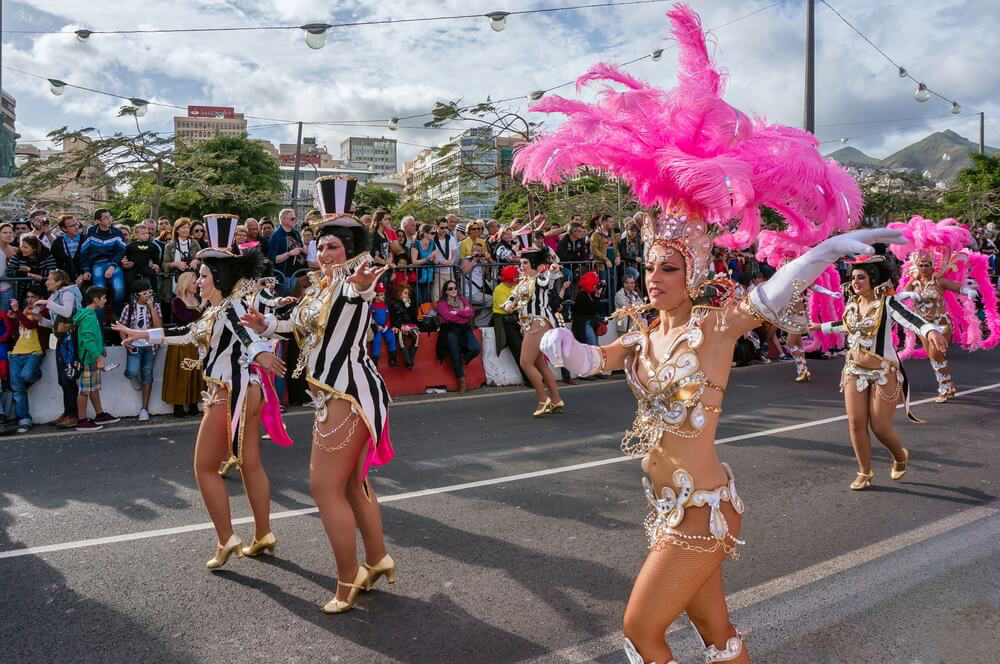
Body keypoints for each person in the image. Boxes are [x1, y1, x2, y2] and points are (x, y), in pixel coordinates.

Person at [514, 6, 880, 660]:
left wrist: (823, 253)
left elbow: (770, 296)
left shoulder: (715, 326)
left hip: (700, 512)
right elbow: (598, 358)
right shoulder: (645, 332)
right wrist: (564, 350)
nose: (654, 278)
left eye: (669, 268)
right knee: (718, 635)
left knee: (640, 630)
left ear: (696, 271)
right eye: (650, 266)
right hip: (666, 507)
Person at [241, 177, 395, 614]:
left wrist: (361, 279)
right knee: (349, 483)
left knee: (324, 488)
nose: (324, 253)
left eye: (333, 247)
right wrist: (266, 326)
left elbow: (359, 293)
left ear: (351, 252)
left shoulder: (350, 286)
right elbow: (301, 327)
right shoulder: (318, 289)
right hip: (334, 397)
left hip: (348, 395)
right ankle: (379, 557)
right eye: (320, 246)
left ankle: (349, 580)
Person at [114, 248, 284, 568]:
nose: (197, 281)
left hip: (227, 394)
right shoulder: (215, 311)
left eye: (204, 276)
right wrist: (139, 334)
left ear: (219, 279)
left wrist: (261, 352)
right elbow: (182, 334)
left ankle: (226, 538)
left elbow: (247, 334)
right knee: (250, 465)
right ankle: (263, 534)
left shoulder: (228, 309)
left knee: (205, 469)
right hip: (247, 392)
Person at [814, 256, 946, 490]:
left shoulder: (888, 304)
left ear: (873, 279)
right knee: (855, 423)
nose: (855, 282)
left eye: (861, 277)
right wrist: (820, 327)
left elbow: (912, 319)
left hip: (884, 372)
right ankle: (864, 472)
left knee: (881, 428)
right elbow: (848, 326)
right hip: (854, 370)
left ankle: (899, 456)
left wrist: (932, 331)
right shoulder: (852, 304)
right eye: (853, 277)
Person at [889, 216, 1000, 402]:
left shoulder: (940, 281)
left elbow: (958, 288)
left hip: (941, 324)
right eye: (921, 265)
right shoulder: (913, 283)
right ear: (916, 266)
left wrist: (968, 291)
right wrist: (907, 295)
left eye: (927, 265)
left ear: (932, 266)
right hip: (923, 325)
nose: (924, 268)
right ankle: (948, 386)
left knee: (935, 354)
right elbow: (897, 298)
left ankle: (944, 388)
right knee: (934, 358)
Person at [756, 233, 843, 382]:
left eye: (789, 263)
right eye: (784, 264)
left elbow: (814, 286)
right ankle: (803, 371)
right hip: (787, 313)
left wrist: (830, 292)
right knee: (797, 343)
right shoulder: (780, 281)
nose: (786, 266)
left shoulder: (799, 280)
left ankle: (802, 370)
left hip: (797, 314)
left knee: (790, 343)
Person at [501, 249, 563, 416]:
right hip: (530, 324)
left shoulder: (539, 278)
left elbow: (546, 281)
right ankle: (556, 400)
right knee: (539, 364)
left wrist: (551, 270)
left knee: (525, 363)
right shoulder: (524, 281)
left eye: (525, 264)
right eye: (521, 264)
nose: (522, 267)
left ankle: (544, 400)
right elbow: (514, 296)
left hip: (537, 322)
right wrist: (508, 304)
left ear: (535, 264)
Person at [35, 270, 82, 428]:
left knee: (68, 377)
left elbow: (67, 312)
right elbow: (57, 323)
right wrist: (41, 320)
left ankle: (74, 415)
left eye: (49, 279)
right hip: (62, 339)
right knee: (63, 379)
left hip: (71, 340)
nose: (46, 282)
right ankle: (67, 413)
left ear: (59, 282)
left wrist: (46, 303)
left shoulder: (67, 293)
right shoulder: (56, 295)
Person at [73, 286, 120, 431]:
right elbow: (88, 340)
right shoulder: (89, 317)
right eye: (104, 298)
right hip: (89, 359)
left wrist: (100, 351)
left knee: (92, 388)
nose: (105, 301)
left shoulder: (88, 315)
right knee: (85, 390)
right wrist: (98, 358)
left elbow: (92, 338)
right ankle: (81, 420)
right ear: (96, 299)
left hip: (91, 357)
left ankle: (100, 414)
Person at [118, 279, 162, 421]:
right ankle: (134, 376)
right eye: (145, 293)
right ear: (137, 295)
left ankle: (144, 409)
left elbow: (158, 327)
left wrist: (151, 308)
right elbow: (122, 326)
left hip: (150, 346)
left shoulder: (155, 306)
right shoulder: (129, 308)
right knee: (132, 371)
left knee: (148, 375)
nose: (149, 295)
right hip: (134, 345)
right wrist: (125, 342)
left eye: (150, 292)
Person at [162, 271, 205, 417]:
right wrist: (203, 306)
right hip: (180, 342)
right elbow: (188, 319)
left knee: (194, 373)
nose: (197, 284)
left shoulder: (197, 300)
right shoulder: (177, 301)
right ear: (186, 284)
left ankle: (193, 403)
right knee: (180, 374)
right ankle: (178, 406)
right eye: (194, 282)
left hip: (195, 342)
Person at [8, 288, 49, 433]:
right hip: (16, 352)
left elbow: (31, 325)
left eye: (33, 296)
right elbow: (15, 333)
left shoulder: (43, 311)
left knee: (26, 376)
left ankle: (37, 374)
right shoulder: (24, 311)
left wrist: (18, 312)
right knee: (18, 389)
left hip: (34, 352)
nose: (30, 299)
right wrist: (13, 319)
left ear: (40, 297)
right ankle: (24, 419)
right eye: (28, 297)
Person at [435, 279, 481, 393]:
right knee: (454, 353)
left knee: (476, 348)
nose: (454, 290)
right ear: (445, 291)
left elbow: (470, 313)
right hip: (449, 330)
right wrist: (462, 315)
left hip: (464, 328)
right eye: (450, 289)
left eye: (455, 288)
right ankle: (462, 383)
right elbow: (447, 317)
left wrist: (457, 313)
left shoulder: (462, 299)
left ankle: (463, 360)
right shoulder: (441, 303)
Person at [81, 209, 127, 315]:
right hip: (97, 265)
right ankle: (99, 325)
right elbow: (84, 253)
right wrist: (86, 270)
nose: (109, 219)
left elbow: (121, 252)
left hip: (113, 264)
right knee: (99, 294)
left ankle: (116, 318)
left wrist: (112, 266)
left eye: (109, 216)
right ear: (98, 221)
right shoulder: (91, 232)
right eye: (105, 217)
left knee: (119, 289)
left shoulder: (117, 232)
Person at [6, 236, 57, 306]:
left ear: (34, 249)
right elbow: (9, 272)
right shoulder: (18, 255)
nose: (22, 249)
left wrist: (32, 270)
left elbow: (53, 272)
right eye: (21, 246)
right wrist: (29, 274)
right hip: (24, 294)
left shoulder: (46, 254)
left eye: (26, 247)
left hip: (43, 293)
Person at [161, 218, 203, 303]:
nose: (186, 230)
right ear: (177, 230)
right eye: (183, 227)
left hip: (192, 282)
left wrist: (196, 261)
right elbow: (164, 264)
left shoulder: (194, 243)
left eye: (188, 228)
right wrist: (175, 264)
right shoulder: (170, 245)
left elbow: (203, 261)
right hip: (175, 282)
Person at [268, 208, 306, 294]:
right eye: (292, 218)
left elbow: (300, 249)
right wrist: (289, 253)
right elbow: (272, 259)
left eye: (295, 218)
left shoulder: (296, 233)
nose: (295, 220)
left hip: (300, 275)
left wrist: (304, 250)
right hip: (285, 278)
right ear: (284, 219)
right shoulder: (276, 236)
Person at [124, 224, 162, 299]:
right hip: (133, 266)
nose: (146, 235)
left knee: (152, 273)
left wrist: (156, 264)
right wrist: (126, 262)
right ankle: (127, 298)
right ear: (136, 235)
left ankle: (155, 292)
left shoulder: (152, 245)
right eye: (143, 234)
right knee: (128, 279)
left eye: (147, 233)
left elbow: (155, 257)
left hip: (144, 266)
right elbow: (126, 255)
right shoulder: (131, 245)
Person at [390, 283, 419, 370]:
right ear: (399, 293)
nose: (407, 295)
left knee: (416, 337)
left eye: (408, 293)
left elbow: (414, 316)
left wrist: (409, 306)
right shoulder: (393, 304)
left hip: (409, 325)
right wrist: (401, 326)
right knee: (400, 338)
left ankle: (409, 360)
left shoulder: (409, 303)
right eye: (405, 293)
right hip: (399, 326)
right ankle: (409, 363)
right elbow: (393, 319)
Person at [409, 223, 438, 305]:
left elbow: (436, 261)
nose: (434, 235)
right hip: (417, 278)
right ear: (424, 233)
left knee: (426, 302)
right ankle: (418, 318)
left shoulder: (433, 244)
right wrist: (427, 259)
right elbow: (414, 262)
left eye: (435, 233)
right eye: (432, 233)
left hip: (428, 278)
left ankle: (425, 318)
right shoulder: (416, 244)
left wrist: (434, 259)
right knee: (418, 301)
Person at [51, 214, 85, 283]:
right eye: (72, 226)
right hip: (65, 282)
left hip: (85, 279)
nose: (76, 227)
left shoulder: (85, 239)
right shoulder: (58, 242)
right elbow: (54, 262)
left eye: (76, 224)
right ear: (64, 229)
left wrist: (84, 274)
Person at [370, 283, 398, 367]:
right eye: (381, 294)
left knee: (392, 337)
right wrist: (376, 326)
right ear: (375, 297)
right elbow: (370, 318)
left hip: (385, 328)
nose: (383, 296)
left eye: (384, 294)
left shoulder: (386, 307)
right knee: (377, 339)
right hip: (377, 328)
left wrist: (386, 326)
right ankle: (375, 359)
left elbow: (388, 319)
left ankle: (393, 358)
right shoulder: (372, 307)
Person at [431, 217, 457, 302]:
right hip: (438, 271)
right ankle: (438, 313)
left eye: (446, 227)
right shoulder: (432, 239)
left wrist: (451, 262)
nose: (445, 230)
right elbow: (431, 255)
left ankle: (452, 313)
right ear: (436, 227)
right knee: (436, 296)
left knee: (452, 294)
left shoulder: (451, 238)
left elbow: (454, 255)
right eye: (442, 228)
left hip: (449, 271)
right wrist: (442, 262)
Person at [0, 222, 17, 312]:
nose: (8, 235)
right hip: (2, 286)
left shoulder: (15, 249)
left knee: (8, 316)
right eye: (5, 233)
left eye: (10, 232)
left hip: (10, 287)